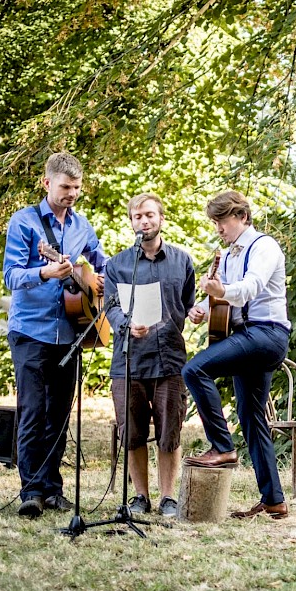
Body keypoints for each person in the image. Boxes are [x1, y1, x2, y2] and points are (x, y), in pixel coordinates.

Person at [3, 152, 108, 519]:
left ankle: (52, 488)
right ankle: (30, 491)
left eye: (77, 188)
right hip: (30, 331)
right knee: (32, 411)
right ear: (46, 183)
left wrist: (99, 282)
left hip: (71, 333)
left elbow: (103, 264)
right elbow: (12, 276)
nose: (72, 194)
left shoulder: (83, 227)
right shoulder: (24, 223)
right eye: (65, 187)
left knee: (60, 415)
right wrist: (45, 272)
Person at [181, 190, 291, 520]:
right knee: (250, 415)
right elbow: (219, 299)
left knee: (194, 370)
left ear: (241, 217)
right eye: (214, 222)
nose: (218, 228)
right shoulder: (229, 256)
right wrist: (199, 309)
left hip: (268, 333)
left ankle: (222, 448)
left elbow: (249, 289)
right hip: (247, 335)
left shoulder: (264, 246)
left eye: (221, 221)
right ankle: (273, 499)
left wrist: (221, 291)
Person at [104, 193, 196, 518]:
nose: (143, 221)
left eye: (149, 215)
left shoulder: (182, 261)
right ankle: (140, 496)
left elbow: (188, 304)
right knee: (132, 432)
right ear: (131, 222)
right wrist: (127, 326)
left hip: (170, 359)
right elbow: (111, 307)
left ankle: (168, 497)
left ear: (161, 219)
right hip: (128, 361)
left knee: (170, 431)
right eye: (137, 217)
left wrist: (195, 313)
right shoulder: (117, 265)